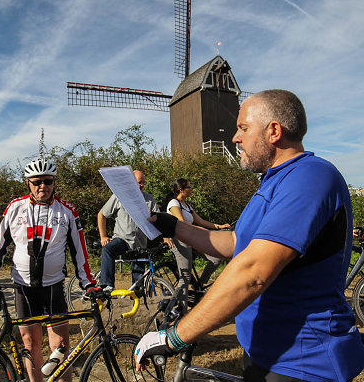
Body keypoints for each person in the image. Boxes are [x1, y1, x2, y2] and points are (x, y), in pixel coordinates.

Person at [135, 90, 364, 381]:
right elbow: (234, 243)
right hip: (266, 351)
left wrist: (174, 337)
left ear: (274, 131)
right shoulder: (272, 183)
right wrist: (175, 226)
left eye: (243, 128)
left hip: (303, 360)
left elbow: (253, 271)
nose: (235, 137)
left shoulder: (310, 177)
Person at [0, 159, 95, 382]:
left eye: (47, 181)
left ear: (54, 182)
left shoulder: (67, 212)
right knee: (30, 344)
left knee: (61, 347)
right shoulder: (15, 208)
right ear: (28, 183)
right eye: (37, 182)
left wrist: (89, 283)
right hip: (24, 288)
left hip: (53, 287)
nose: (42, 186)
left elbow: (80, 254)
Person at [166, 178, 230, 309]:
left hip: (192, 238)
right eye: (188, 187)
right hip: (180, 241)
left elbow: (201, 221)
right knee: (185, 276)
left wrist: (219, 226)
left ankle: (198, 287)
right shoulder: (174, 203)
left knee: (216, 257)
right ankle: (182, 310)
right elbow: (182, 222)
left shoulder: (187, 205)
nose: (191, 189)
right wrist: (203, 231)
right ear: (181, 190)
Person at [98, 170, 159, 290]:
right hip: (123, 239)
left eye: (143, 183)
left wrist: (165, 235)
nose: (142, 185)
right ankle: (107, 285)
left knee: (138, 287)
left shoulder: (149, 199)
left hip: (140, 243)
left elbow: (158, 219)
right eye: (139, 182)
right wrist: (103, 236)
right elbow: (101, 215)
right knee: (108, 249)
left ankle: (137, 302)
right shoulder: (119, 196)